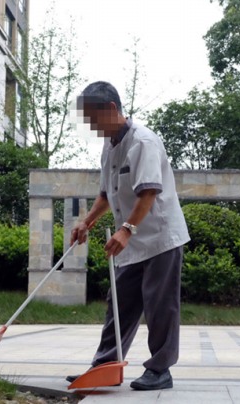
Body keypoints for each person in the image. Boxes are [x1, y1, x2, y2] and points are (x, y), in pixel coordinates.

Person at [68, 81, 190, 391]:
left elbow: (148, 192)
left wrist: (126, 230)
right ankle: (106, 364)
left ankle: (160, 369)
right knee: (119, 301)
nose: (91, 126)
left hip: (160, 237)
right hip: (132, 240)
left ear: (111, 110)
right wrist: (87, 222)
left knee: (160, 304)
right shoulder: (110, 147)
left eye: (93, 119)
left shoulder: (143, 142)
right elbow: (107, 194)